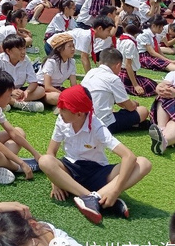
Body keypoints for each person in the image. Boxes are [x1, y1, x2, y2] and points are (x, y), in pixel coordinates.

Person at [38, 85, 152, 224]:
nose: (59, 111)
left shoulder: (97, 126)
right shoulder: (62, 121)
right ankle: (94, 198)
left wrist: (116, 190)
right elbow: (51, 152)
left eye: (63, 109)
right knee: (45, 160)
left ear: (79, 113)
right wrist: (55, 182)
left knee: (143, 163)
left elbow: (129, 156)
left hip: (98, 172)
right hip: (70, 169)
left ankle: (96, 198)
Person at [82, 48, 149, 134]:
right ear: (118, 65)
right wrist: (135, 103)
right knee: (143, 110)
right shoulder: (113, 79)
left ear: (100, 62)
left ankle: (133, 124)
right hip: (102, 124)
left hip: (83, 119)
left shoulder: (91, 72)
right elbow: (130, 107)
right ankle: (133, 124)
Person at [0, 34, 45, 112]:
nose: (23, 52)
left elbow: (33, 82)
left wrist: (26, 92)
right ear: (8, 51)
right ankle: (18, 104)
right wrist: (10, 91)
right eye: (19, 49)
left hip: (19, 91)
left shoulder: (26, 60)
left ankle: (6, 102)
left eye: (24, 48)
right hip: (2, 90)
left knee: (41, 90)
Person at [116, 23, 157, 97]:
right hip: (127, 75)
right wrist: (136, 85)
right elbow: (128, 65)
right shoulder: (130, 43)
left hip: (120, 73)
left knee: (151, 83)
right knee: (152, 87)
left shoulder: (120, 39)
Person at [37, 33, 77, 105]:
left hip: (57, 89)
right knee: (57, 97)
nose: (73, 49)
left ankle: (61, 103)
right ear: (59, 49)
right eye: (69, 46)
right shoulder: (51, 62)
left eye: (73, 46)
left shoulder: (72, 62)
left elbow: (74, 85)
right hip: (42, 89)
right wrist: (64, 94)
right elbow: (47, 87)